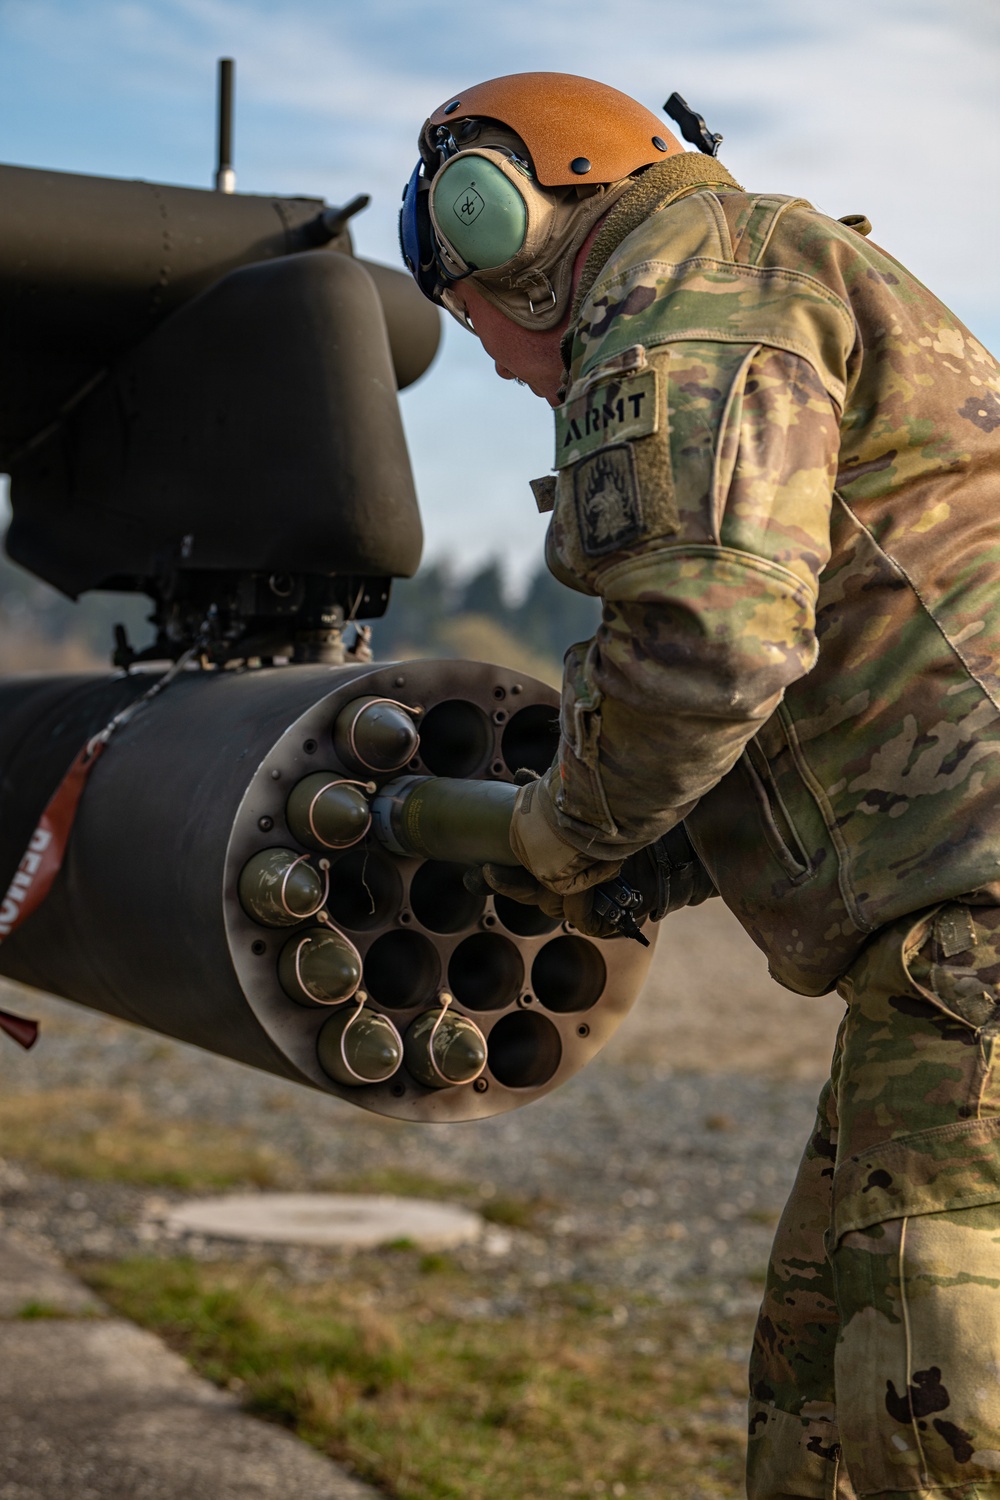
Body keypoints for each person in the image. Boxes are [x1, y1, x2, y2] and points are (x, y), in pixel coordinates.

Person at [401, 70, 1000, 1499]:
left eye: (461, 301)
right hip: (939, 958)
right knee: (815, 1405)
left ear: (502, 218)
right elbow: (799, 679)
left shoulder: (685, 302)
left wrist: (563, 829)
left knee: (937, 1429)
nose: (480, 351)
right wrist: (645, 856)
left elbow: (709, 645)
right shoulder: (759, 275)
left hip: (978, 943)